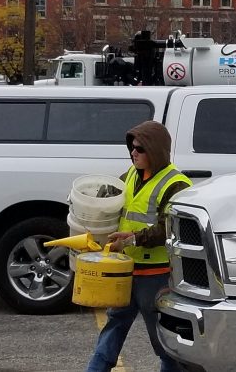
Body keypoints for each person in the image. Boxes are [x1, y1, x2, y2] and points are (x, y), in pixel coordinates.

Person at [86, 121, 192, 372]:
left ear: (155, 151)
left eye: (140, 149)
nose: (133, 153)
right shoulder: (131, 175)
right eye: (131, 148)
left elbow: (171, 228)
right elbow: (109, 203)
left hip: (156, 275)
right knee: (115, 325)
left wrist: (133, 239)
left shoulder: (177, 184)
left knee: (164, 339)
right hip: (126, 269)